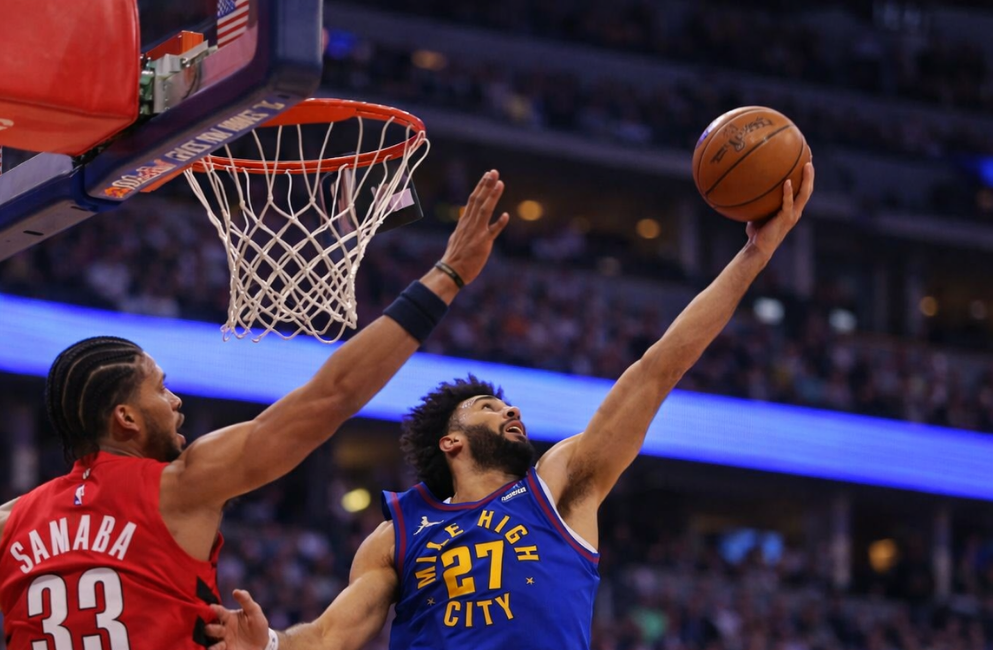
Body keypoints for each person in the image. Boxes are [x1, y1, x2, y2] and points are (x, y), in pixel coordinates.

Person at [207, 165, 816, 650]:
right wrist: (269, 647)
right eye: (486, 408)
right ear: (452, 441)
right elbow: (332, 636)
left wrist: (753, 259)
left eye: (507, 406)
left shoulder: (562, 485)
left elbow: (658, 370)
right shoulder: (398, 533)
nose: (509, 412)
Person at [0, 171, 512, 650]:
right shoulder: (180, 487)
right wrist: (448, 276)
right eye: (160, 390)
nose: (175, 401)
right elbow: (331, 396)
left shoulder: (3, 528)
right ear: (126, 420)